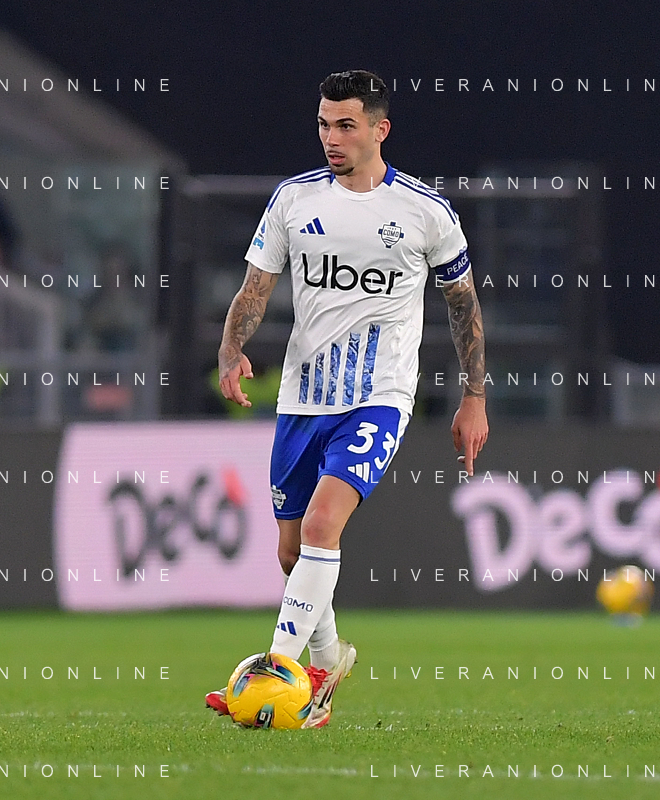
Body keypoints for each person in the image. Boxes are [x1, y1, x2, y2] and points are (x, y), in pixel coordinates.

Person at [206, 70, 489, 728]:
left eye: (345, 125)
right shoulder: (292, 200)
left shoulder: (425, 212)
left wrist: (473, 396)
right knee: (291, 554)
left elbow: (463, 306)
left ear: (379, 129)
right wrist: (230, 347)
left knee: (320, 527)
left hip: (378, 395)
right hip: (303, 398)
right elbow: (255, 287)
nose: (331, 138)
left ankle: (275, 672)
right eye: (323, 125)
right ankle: (327, 663)